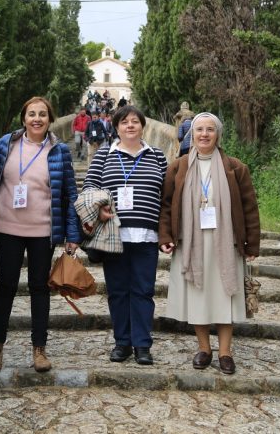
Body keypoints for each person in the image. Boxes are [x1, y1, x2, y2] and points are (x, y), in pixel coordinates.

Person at [0, 97, 81, 373]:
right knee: (6, 285)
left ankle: (39, 349)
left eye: (42, 114)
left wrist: (72, 234)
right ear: (23, 118)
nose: (37, 119)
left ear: (50, 119)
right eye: (32, 114)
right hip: (6, 227)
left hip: (43, 230)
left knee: (39, 287)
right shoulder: (7, 144)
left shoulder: (59, 150)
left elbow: (70, 193)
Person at [158, 112, 260, 376]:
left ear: (218, 134)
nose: (204, 134)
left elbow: (249, 207)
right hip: (191, 244)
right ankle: (204, 348)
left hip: (225, 244)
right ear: (191, 135)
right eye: (199, 129)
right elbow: (166, 205)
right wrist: (165, 236)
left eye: (210, 129)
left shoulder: (235, 168)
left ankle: (225, 352)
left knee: (225, 297)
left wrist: (251, 244)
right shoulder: (178, 167)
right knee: (198, 297)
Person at [81, 105, 167, 365]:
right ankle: (122, 343)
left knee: (143, 291)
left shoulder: (157, 156)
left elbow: (167, 197)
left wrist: (167, 234)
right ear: (116, 127)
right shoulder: (104, 155)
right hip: (113, 236)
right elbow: (89, 188)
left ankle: (142, 345)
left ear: (142, 126)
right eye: (124, 122)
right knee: (118, 292)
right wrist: (99, 208)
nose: (130, 125)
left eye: (135, 121)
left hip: (146, 236)